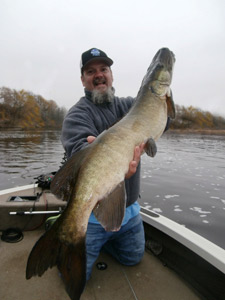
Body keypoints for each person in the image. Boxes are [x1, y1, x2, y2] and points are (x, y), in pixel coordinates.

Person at [61, 48, 147, 281]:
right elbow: (77, 152)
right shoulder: (77, 115)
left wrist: (165, 97)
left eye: (103, 69)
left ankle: (109, 244)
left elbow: (162, 120)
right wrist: (97, 154)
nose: (98, 75)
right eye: (91, 71)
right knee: (74, 276)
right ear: (82, 79)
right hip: (92, 217)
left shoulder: (130, 106)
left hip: (129, 212)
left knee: (133, 258)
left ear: (111, 74)